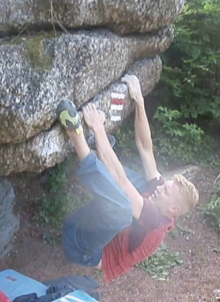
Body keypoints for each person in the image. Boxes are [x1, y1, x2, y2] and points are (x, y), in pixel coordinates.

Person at [56, 74, 199, 283]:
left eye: (167, 191)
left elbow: (120, 180)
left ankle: (76, 134)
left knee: (123, 208)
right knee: (140, 184)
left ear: (173, 210)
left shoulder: (154, 221)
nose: (161, 188)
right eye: (165, 186)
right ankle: (98, 153)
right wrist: (139, 101)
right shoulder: (161, 199)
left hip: (82, 248)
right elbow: (145, 148)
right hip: (86, 222)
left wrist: (98, 128)